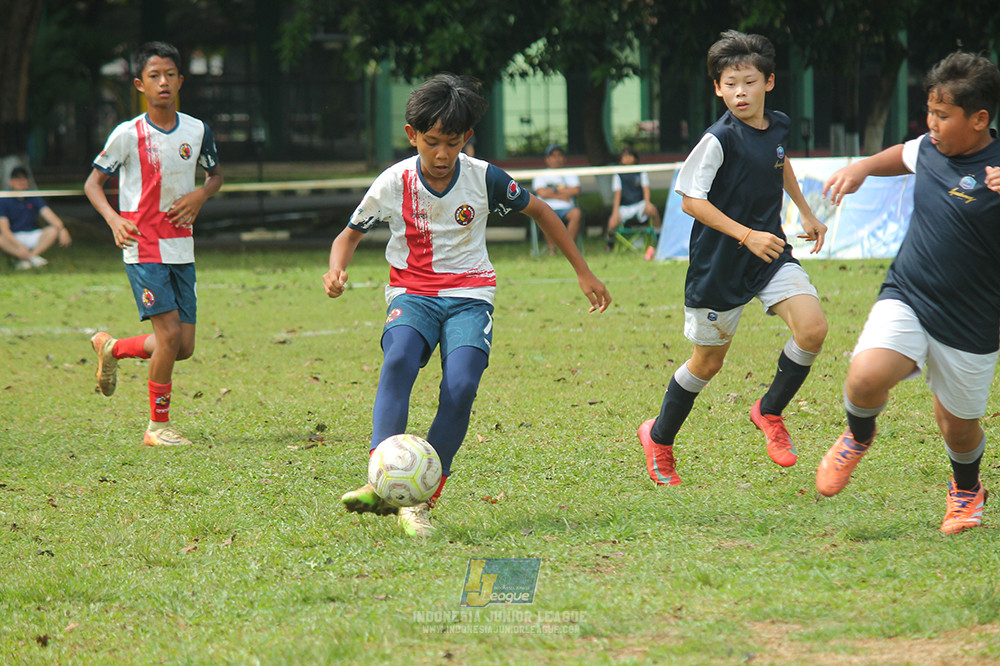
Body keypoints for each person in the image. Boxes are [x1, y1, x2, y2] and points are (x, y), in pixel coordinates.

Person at [325, 73, 611, 537]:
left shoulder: (484, 179)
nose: (442, 154)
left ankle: (420, 500)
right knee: (398, 359)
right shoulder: (393, 181)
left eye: (452, 143)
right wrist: (337, 268)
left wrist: (583, 270)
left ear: (466, 139)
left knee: (460, 387)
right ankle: (380, 480)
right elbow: (349, 235)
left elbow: (541, 211)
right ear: (412, 135)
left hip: (470, 298)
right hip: (412, 293)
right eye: (432, 142)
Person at [816, 51, 1000, 534]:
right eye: (929, 112)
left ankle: (966, 491)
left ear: (979, 119)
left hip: (974, 319)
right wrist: (860, 169)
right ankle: (858, 435)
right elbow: (899, 154)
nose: (931, 124)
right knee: (864, 376)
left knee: (956, 425)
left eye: (943, 115)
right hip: (910, 293)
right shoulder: (929, 149)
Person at [637, 29, 828, 486]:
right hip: (720, 264)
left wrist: (805, 212)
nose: (740, 92)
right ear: (718, 88)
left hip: (769, 255)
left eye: (749, 81)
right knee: (708, 363)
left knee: (813, 328)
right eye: (730, 84)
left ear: (769, 82)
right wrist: (746, 235)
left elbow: (780, 163)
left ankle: (768, 411)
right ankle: (659, 438)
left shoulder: (778, 126)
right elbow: (689, 200)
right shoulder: (716, 139)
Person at [84, 41, 223, 447]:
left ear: (181, 80)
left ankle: (112, 347)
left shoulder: (197, 130)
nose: (163, 83)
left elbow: (214, 176)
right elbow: (93, 183)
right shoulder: (128, 134)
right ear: (139, 84)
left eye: (169, 75)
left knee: (183, 346)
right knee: (168, 337)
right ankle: (157, 427)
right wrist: (114, 220)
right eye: (153, 76)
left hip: (182, 246)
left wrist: (200, 195)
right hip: (143, 246)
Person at [0, 166, 71, 269]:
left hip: (31, 233)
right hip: (14, 236)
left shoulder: (33, 197)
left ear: (27, 181)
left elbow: (49, 215)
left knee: (53, 230)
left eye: (23, 179)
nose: (20, 182)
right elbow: (5, 230)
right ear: (10, 181)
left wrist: (62, 228)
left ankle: (29, 258)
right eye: (17, 179)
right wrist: (21, 247)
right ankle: (31, 258)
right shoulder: (4, 200)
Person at [604, 146, 661, 253]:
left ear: (635, 158)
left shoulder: (641, 171)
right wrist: (615, 213)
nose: (627, 158)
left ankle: (658, 237)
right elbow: (617, 195)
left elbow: (646, 189)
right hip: (624, 207)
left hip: (639, 204)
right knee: (612, 223)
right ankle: (610, 243)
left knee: (653, 210)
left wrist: (647, 203)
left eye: (630, 155)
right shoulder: (618, 174)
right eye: (624, 156)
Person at [532, 144, 583, 255]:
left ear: (564, 158)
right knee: (543, 216)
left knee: (576, 214)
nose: (556, 159)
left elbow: (575, 190)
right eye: (553, 156)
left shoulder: (570, 173)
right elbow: (541, 192)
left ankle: (568, 248)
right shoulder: (540, 175)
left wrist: (551, 191)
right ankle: (552, 249)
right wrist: (561, 194)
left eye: (559, 155)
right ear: (547, 159)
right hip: (547, 208)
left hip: (567, 208)